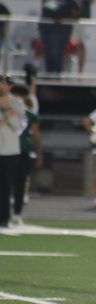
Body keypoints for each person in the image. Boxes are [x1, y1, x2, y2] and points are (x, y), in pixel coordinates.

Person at [11, 82, 43, 225]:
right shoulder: (6, 110)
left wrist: (39, 153)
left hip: (22, 149)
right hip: (8, 149)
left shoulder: (30, 115)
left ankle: (17, 213)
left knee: (20, 182)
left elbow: (36, 135)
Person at [0, 75, 25, 228]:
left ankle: (4, 218)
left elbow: (17, 125)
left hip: (9, 150)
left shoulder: (16, 102)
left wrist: (8, 108)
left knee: (5, 186)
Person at [39, 0, 80, 73]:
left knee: (56, 54)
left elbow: (76, 15)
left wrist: (63, 17)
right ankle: (49, 76)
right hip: (47, 31)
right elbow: (45, 10)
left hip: (61, 32)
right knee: (49, 54)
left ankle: (56, 76)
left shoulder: (70, 2)